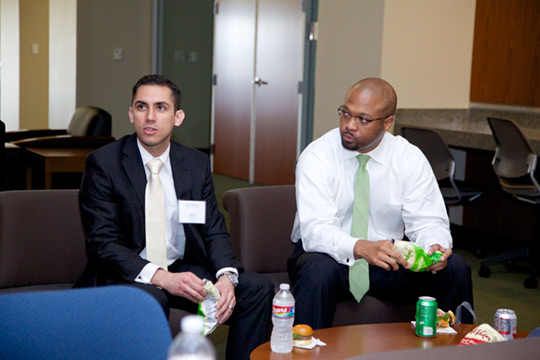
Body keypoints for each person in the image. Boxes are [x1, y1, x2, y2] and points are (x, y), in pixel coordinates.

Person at [74, 74, 274, 360]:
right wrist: (162, 278)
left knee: (257, 290)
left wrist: (226, 277)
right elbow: (103, 244)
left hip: (182, 268)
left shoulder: (195, 163)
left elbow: (213, 228)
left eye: (161, 107)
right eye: (142, 107)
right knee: (151, 299)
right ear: (131, 114)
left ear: (177, 117)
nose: (150, 117)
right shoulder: (104, 163)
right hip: (126, 273)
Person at [287, 77, 474, 329]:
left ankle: (456, 351)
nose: (349, 125)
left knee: (455, 269)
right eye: (345, 113)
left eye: (363, 119)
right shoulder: (318, 155)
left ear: (387, 123)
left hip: (386, 259)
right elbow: (316, 231)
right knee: (318, 272)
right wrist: (361, 247)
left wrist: (434, 247)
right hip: (328, 255)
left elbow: (428, 220)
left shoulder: (408, 157)